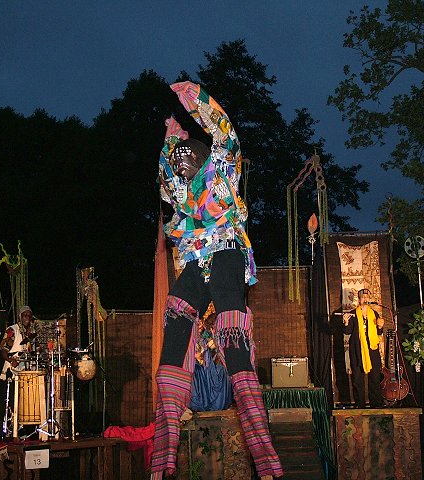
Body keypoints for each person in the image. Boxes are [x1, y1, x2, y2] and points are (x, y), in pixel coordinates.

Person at [152, 81, 283, 479]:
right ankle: (164, 452)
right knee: (176, 315)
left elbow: (226, 133)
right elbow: (166, 175)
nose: (181, 166)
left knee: (231, 332)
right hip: (197, 259)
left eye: (188, 158)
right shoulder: (180, 188)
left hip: (225, 250)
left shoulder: (220, 168)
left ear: (204, 158)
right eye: (179, 164)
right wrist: (171, 138)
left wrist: (195, 101)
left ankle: (265, 457)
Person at [343, 288, 385, 408]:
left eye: (367, 297)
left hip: (372, 349)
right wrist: (346, 322)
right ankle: (359, 404)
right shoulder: (353, 313)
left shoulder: (374, 314)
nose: (365, 299)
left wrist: (380, 327)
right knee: (357, 377)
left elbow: (379, 332)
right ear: (359, 299)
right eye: (363, 297)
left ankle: (376, 403)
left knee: (375, 377)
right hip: (357, 349)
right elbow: (347, 331)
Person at [0, 305, 37, 380]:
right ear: (20, 317)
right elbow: (3, 350)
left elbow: (35, 349)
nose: (27, 318)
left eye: (29, 316)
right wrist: (11, 360)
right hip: (13, 369)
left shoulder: (32, 332)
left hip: (26, 368)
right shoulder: (12, 330)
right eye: (25, 315)